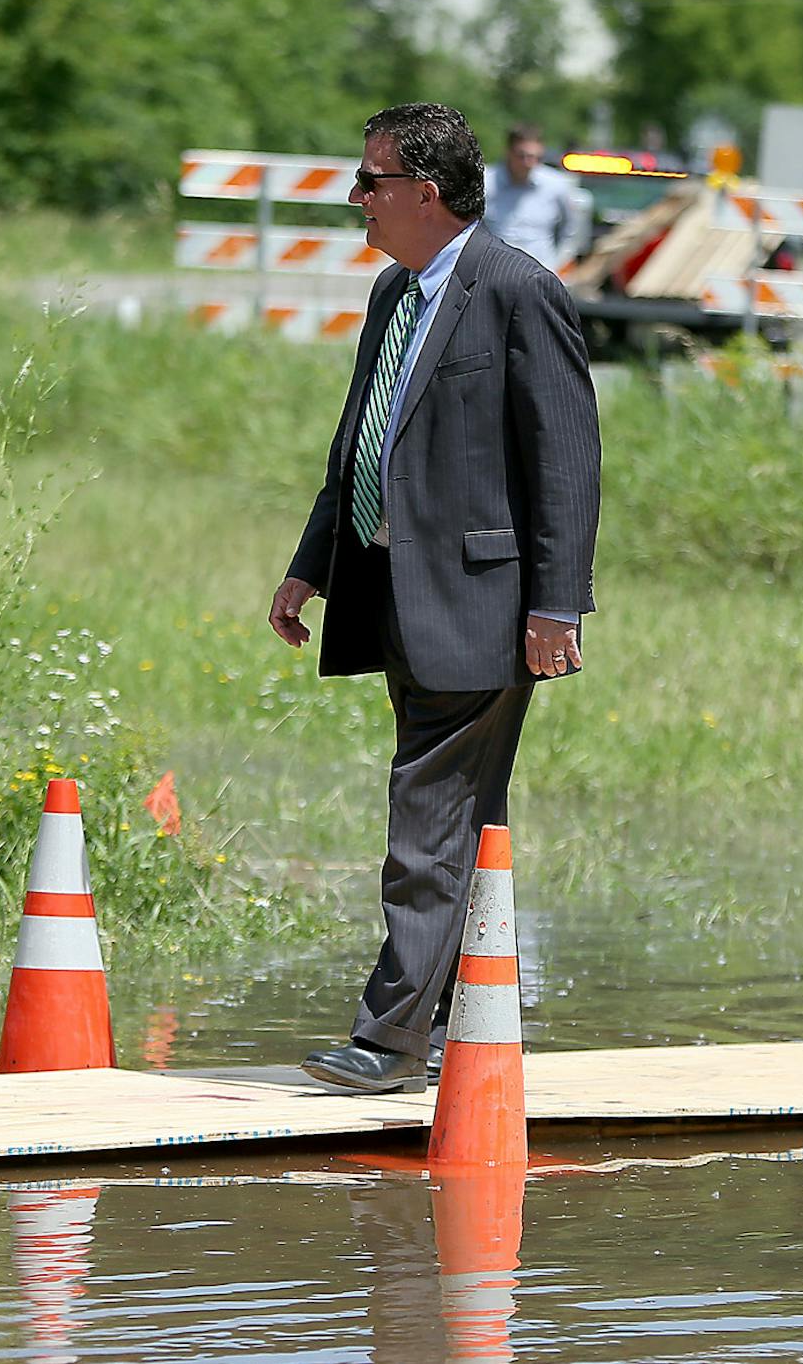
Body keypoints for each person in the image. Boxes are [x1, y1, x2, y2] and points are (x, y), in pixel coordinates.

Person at [271, 103, 600, 1094]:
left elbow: (567, 461)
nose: (355, 197)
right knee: (459, 812)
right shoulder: (392, 295)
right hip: (394, 593)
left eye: (371, 180)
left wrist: (557, 607)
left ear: (424, 192)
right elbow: (358, 445)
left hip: (483, 605)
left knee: (425, 811)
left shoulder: (516, 291)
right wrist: (311, 565)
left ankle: (388, 1040)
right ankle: (458, 1017)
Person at [480, 123, 590, 272]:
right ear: (508, 152)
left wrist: (557, 265)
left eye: (535, 157)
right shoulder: (485, 182)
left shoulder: (556, 185)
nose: (528, 163)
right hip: (492, 270)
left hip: (539, 272)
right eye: (522, 156)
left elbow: (571, 229)